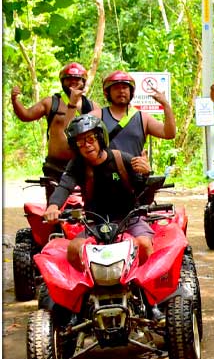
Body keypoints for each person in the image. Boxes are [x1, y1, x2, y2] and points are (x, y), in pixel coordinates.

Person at [43, 115, 153, 272]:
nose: (87, 145)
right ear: (75, 146)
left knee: (144, 244)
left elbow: (144, 193)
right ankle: (84, 293)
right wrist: (53, 206)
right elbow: (64, 186)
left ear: (100, 138)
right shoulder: (77, 165)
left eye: (90, 138)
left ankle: (143, 290)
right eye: (80, 142)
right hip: (95, 222)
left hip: (129, 219)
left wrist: (146, 174)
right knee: (74, 249)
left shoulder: (122, 159)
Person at [10, 62, 100, 202]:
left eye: (77, 79)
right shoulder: (51, 103)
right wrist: (15, 101)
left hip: (85, 165)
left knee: (88, 209)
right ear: (62, 81)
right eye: (69, 78)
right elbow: (26, 115)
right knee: (54, 209)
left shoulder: (93, 106)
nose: (73, 82)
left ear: (83, 81)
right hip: (55, 167)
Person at [68, 70, 176, 176]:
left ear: (131, 91)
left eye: (125, 87)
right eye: (116, 88)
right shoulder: (97, 116)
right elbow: (72, 135)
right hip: (104, 178)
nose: (121, 91)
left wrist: (165, 105)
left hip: (134, 178)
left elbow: (169, 133)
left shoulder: (143, 118)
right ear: (107, 92)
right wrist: (72, 104)